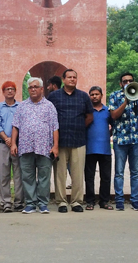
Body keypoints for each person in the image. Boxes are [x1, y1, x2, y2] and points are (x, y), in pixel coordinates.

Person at [11, 77, 59, 214]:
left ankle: (43, 203)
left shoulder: (49, 106)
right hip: (25, 147)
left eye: (36, 87)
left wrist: (55, 146)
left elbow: (55, 127)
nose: (33, 89)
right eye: (30, 87)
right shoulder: (22, 106)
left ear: (41, 89)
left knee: (44, 176)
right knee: (27, 176)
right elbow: (15, 126)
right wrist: (13, 143)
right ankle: (30, 204)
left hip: (44, 147)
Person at [48, 69, 92, 213]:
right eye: (69, 77)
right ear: (64, 79)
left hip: (78, 140)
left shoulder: (84, 96)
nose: (72, 79)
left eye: (75, 77)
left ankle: (76, 202)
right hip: (59, 142)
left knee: (78, 173)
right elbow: (49, 117)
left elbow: (89, 116)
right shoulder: (54, 96)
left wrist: (78, 126)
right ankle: (61, 202)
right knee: (60, 174)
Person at [108, 72, 138, 211]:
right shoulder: (114, 96)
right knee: (119, 172)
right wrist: (126, 101)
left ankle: (135, 200)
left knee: (135, 172)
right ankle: (119, 200)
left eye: (130, 81)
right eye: (125, 81)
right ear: (120, 83)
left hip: (136, 139)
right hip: (120, 140)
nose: (128, 83)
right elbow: (114, 115)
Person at [0, 81, 24, 212]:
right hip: (3, 144)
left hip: (18, 144)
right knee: (4, 174)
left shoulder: (21, 106)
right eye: (7, 89)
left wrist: (14, 141)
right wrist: (7, 139)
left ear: (15, 91)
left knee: (18, 174)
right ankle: (5, 202)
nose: (10, 91)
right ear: (3, 92)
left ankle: (19, 202)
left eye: (12, 89)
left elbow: (23, 123)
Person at [85, 86, 113, 210]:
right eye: (92, 94)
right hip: (89, 149)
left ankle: (104, 201)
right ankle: (90, 201)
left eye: (97, 94)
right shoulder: (86, 111)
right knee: (89, 177)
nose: (94, 96)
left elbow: (113, 125)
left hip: (105, 149)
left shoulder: (108, 111)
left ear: (101, 95)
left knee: (105, 177)